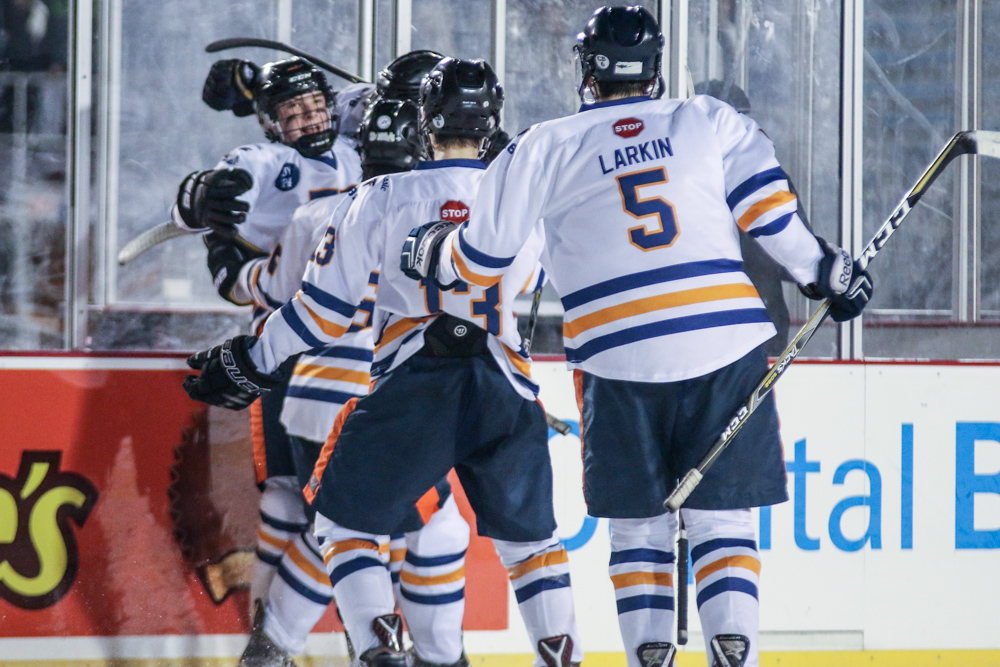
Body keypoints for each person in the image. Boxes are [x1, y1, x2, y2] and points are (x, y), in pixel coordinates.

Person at [400, 7, 873, 667]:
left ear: (587, 70)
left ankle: (650, 657)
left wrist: (434, 252)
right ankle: (734, 654)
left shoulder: (543, 144)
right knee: (722, 521)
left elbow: (481, 261)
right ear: (653, 67)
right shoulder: (709, 119)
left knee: (639, 528)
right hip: (725, 346)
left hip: (617, 357)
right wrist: (831, 273)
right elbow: (775, 216)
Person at [182, 57, 583, 667]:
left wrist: (248, 360)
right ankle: (557, 654)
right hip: (506, 384)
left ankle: (372, 646)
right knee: (529, 545)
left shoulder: (370, 197)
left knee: (341, 528)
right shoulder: (521, 198)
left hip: (405, 387)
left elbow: (312, 311)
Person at [234, 94, 472, 667]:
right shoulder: (436, 214)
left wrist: (223, 251)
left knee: (338, 524)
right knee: (434, 532)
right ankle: (439, 658)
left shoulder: (318, 214)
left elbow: (268, 297)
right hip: (368, 400)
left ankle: (273, 647)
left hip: (306, 395)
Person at [173, 55, 363, 665]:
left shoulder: (361, 143)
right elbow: (227, 271)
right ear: (270, 125)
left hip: (348, 350)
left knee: (336, 503)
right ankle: (276, 631)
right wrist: (195, 204)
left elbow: (384, 91)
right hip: (292, 352)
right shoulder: (261, 166)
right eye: (292, 113)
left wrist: (257, 79)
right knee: (294, 499)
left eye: (315, 107)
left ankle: (303, 635)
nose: (309, 119)